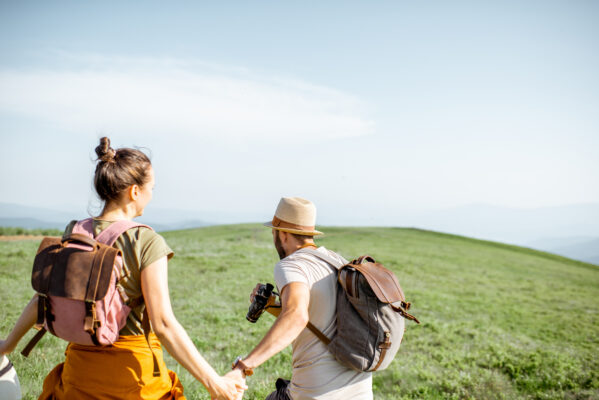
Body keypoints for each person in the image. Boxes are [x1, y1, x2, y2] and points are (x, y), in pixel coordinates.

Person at [0, 137, 246, 400]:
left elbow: (42, 299)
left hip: (78, 377)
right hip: (131, 380)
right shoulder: (146, 241)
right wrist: (213, 382)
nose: (152, 194)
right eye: (152, 187)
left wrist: (7, 345)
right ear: (135, 191)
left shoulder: (75, 232)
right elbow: (163, 323)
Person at [226, 197, 372, 400]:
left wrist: (243, 366)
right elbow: (316, 318)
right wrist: (274, 306)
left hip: (316, 394)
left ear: (282, 234)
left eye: (273, 232)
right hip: (361, 392)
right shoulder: (338, 262)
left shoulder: (291, 265)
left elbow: (296, 316)